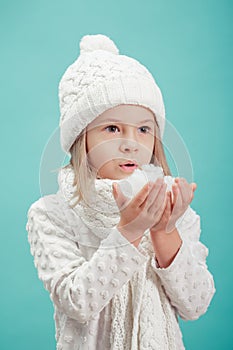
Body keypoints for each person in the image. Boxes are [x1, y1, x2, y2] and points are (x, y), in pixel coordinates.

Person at [26, 34, 215, 350]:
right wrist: (129, 230)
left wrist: (166, 232)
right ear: (80, 139)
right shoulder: (52, 214)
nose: (131, 142)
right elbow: (77, 302)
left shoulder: (172, 210)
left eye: (144, 129)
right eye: (112, 128)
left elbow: (195, 305)